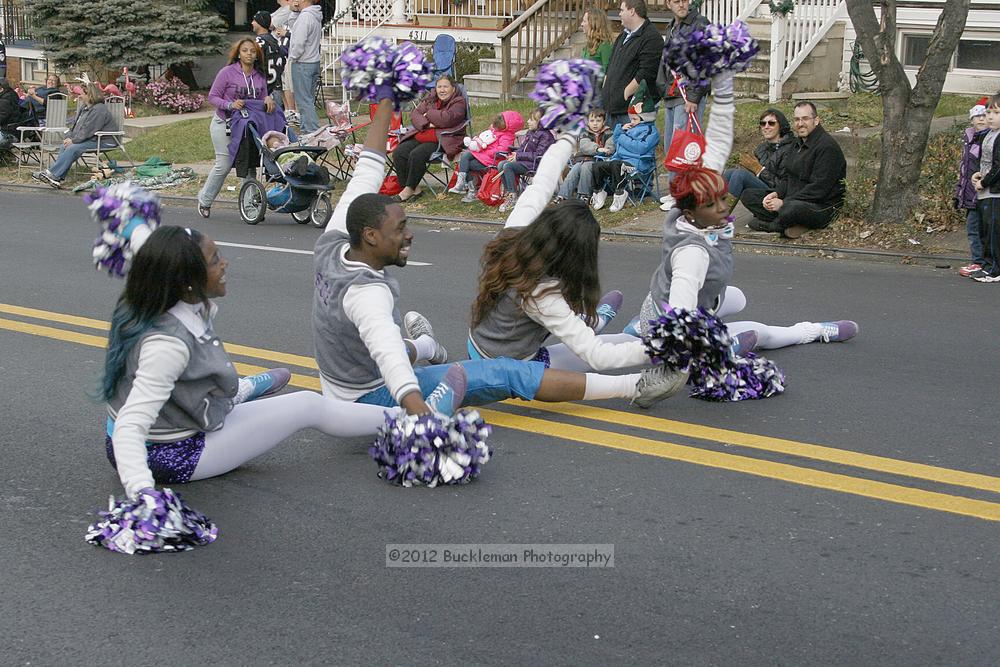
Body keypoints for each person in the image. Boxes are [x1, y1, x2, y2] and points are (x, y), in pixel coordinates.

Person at [313, 93, 679, 413]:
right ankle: (636, 381)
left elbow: (367, 170)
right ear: (371, 236)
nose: (409, 235)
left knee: (398, 347)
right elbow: (391, 363)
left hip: (348, 373)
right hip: (367, 397)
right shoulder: (368, 295)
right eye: (400, 230)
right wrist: (421, 416)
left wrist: (387, 95)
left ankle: (426, 344)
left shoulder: (331, 242)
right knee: (508, 372)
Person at [99, 222, 449, 502]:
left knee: (282, 397)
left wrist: (128, 223)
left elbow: (147, 242)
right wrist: (144, 498)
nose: (225, 263)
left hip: (175, 420)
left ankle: (234, 392)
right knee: (307, 407)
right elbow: (130, 427)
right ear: (186, 280)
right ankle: (417, 422)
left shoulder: (155, 288)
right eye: (214, 259)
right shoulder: (167, 346)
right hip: (171, 452)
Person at [630, 71, 857, 397]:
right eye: (715, 203)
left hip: (672, 305)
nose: (726, 207)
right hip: (673, 323)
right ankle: (812, 330)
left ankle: (647, 329)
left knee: (737, 297)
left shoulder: (698, 223)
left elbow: (720, 144)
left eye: (724, 198)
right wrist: (701, 356)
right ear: (692, 213)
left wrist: (722, 87)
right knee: (760, 334)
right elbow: (680, 313)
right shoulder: (691, 253)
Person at [739, 101, 847, 239]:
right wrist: (776, 194)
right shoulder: (797, 144)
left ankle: (773, 226)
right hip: (793, 198)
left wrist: (784, 203)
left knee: (791, 209)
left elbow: (819, 189)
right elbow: (787, 178)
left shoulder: (827, 147)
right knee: (749, 195)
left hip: (820, 206)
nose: (800, 123)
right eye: (797, 119)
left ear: (816, 120)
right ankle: (792, 224)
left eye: (805, 119)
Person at [196, 39, 276, 218]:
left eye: (253, 51)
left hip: (247, 126)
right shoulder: (227, 73)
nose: (249, 54)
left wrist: (268, 99)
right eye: (245, 51)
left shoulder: (259, 76)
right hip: (224, 123)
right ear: (238, 54)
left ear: (257, 55)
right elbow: (213, 97)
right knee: (223, 165)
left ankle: (250, 208)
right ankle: (205, 200)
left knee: (249, 166)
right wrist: (230, 104)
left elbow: (262, 100)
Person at [577, 82, 659, 213]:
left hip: (638, 163)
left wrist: (622, 136)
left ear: (644, 118)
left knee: (616, 165)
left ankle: (620, 193)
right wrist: (619, 130)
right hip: (619, 160)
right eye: (631, 119)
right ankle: (599, 192)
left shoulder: (650, 131)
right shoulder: (629, 129)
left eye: (635, 119)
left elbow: (640, 148)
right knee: (597, 166)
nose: (631, 122)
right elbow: (616, 141)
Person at [657, 0, 710, 183]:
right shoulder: (671, 27)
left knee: (685, 146)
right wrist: (662, 87)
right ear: (668, 4)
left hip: (688, 95)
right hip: (672, 94)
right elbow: (665, 62)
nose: (681, 5)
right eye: (676, 1)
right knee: (670, 146)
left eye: (684, 0)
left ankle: (681, 191)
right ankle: (675, 188)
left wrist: (694, 96)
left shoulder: (700, 24)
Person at [393, 75, 468, 203]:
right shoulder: (430, 100)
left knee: (416, 155)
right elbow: (415, 114)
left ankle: (408, 189)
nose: (442, 90)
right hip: (422, 135)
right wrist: (428, 123)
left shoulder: (459, 102)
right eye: (439, 87)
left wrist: (429, 114)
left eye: (445, 86)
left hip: (442, 140)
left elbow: (447, 119)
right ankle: (414, 188)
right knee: (399, 152)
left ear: (453, 89)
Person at [31, 83, 116, 188]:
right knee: (65, 146)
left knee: (73, 147)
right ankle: (57, 178)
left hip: (103, 140)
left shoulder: (99, 109)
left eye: (82, 94)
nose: (79, 96)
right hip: (92, 139)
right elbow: (76, 126)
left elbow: (89, 130)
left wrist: (74, 141)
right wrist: (70, 138)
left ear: (90, 95)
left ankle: (52, 173)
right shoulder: (85, 108)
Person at [601, 0, 663, 130]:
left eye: (622, 10)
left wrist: (626, 93)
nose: (619, 14)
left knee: (629, 149)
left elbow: (646, 73)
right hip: (610, 110)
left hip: (630, 112)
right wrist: (606, 90)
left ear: (632, 11)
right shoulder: (623, 36)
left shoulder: (651, 38)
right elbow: (610, 65)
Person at [449, 110, 524, 204]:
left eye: (501, 121)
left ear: (509, 126)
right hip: (483, 157)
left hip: (492, 161)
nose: (497, 123)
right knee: (465, 157)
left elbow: (502, 150)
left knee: (464, 163)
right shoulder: (494, 131)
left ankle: (468, 189)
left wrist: (486, 150)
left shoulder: (507, 136)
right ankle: (463, 185)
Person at [724, 108, 793, 200]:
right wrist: (749, 168)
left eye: (771, 123)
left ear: (781, 125)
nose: (766, 126)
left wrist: (759, 170)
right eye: (763, 123)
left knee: (740, 175)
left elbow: (785, 185)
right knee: (727, 173)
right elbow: (752, 176)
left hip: (781, 195)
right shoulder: (761, 148)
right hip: (762, 189)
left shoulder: (791, 149)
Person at [497, 108, 555, 212]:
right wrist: (515, 154)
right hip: (525, 162)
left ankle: (513, 198)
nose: (528, 121)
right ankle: (509, 192)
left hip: (535, 164)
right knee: (501, 164)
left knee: (508, 166)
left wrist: (518, 157)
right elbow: (523, 147)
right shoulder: (530, 132)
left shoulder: (546, 136)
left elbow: (539, 154)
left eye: (531, 120)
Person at [956, 102, 989, 278]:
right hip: (970, 193)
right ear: (971, 119)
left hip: (982, 191)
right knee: (974, 228)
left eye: (984, 116)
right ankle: (979, 260)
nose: (981, 119)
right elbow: (964, 168)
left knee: (978, 229)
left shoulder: (988, 139)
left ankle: (980, 261)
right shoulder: (969, 139)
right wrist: (960, 191)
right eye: (978, 116)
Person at [970, 94, 1000, 283]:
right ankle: (989, 266)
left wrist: (985, 182)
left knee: (993, 233)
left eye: (996, 113)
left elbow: (999, 167)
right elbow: (986, 162)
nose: (990, 116)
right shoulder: (988, 134)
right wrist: (978, 174)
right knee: (985, 230)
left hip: (995, 192)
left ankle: (993, 269)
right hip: (986, 190)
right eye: (988, 112)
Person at [556, 108, 614, 202]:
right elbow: (584, 146)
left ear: (603, 122)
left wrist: (604, 150)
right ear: (587, 122)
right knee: (576, 168)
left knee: (585, 166)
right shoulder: (584, 133)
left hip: (600, 162)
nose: (595, 123)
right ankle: (562, 195)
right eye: (592, 121)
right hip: (583, 159)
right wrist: (597, 149)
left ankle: (584, 195)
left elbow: (609, 149)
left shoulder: (609, 133)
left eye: (598, 121)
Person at [288, 0, 323, 134]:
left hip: (302, 63)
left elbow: (298, 41)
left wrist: (293, 57)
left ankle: (311, 131)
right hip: (313, 61)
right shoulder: (313, 14)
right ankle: (306, 129)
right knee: (308, 99)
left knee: (304, 101)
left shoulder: (305, 17)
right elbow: (293, 26)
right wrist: (294, 11)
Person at [252, 11, 287, 112]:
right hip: (276, 86)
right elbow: (283, 61)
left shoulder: (259, 41)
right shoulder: (275, 41)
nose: (252, 23)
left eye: (255, 20)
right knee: (276, 122)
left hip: (263, 90)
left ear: (260, 23)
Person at [272, 0, 298, 123]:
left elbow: (299, 36)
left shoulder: (301, 15)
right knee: (283, 84)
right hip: (281, 51)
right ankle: (288, 110)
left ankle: (294, 111)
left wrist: (286, 33)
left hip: (291, 54)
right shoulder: (282, 11)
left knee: (291, 85)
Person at [580, 7, 614, 81]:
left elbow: (608, 74)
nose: (581, 24)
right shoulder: (588, 44)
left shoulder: (605, 46)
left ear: (593, 24)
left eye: (584, 21)